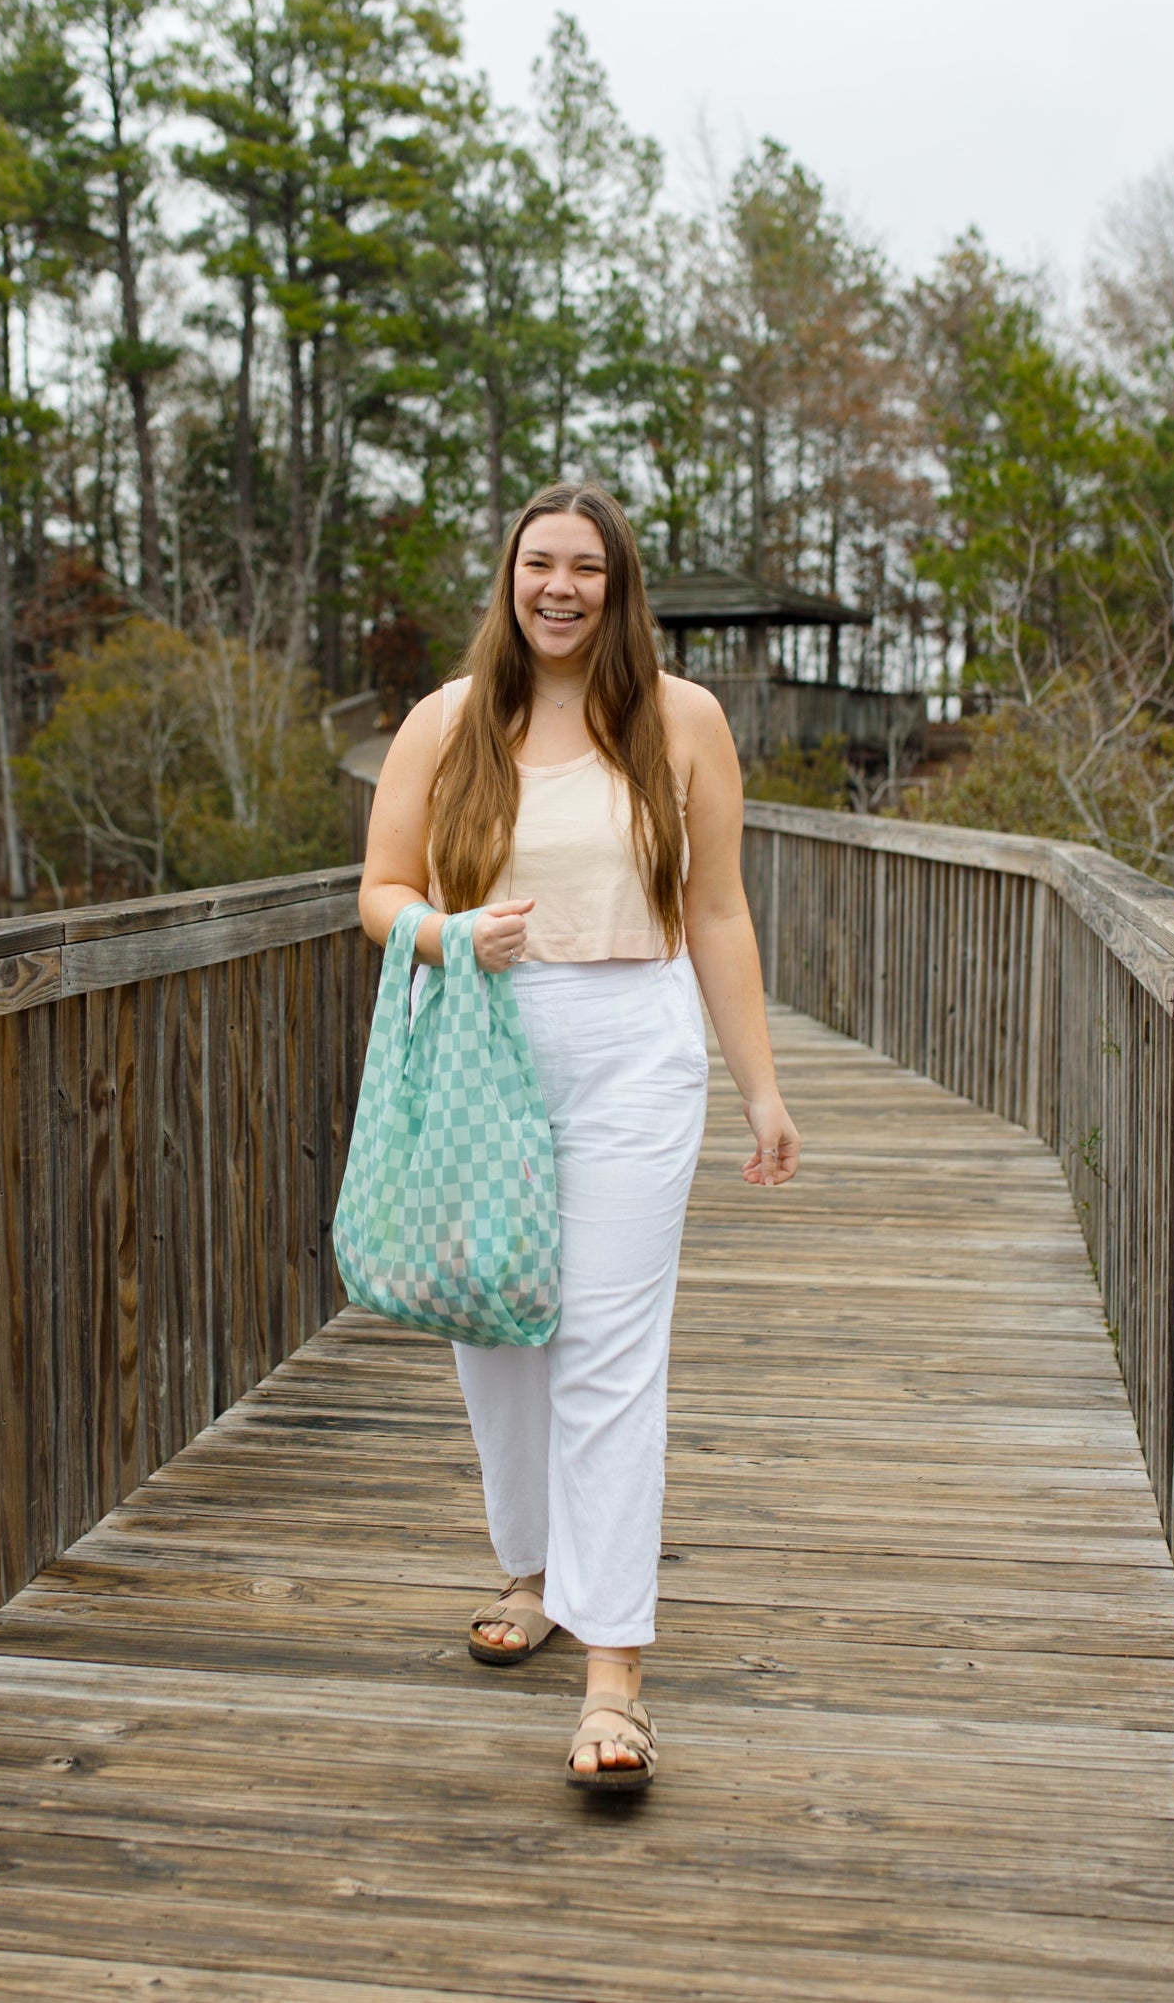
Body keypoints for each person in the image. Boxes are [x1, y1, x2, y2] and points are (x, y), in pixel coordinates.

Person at [358, 481, 800, 1793]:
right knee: (495, 1331)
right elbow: (375, 894)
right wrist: (446, 932)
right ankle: (533, 1571)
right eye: (537, 563)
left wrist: (761, 1088)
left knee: (609, 1348)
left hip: (631, 1053)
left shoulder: (681, 721)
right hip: (479, 1046)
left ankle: (615, 1670)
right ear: (507, 577)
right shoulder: (448, 720)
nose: (558, 586)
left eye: (585, 568)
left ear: (619, 587)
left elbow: (715, 911)